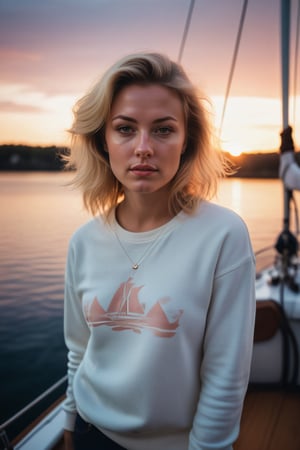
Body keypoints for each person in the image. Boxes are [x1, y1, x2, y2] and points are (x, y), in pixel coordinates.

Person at [63, 52, 256, 450]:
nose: (144, 147)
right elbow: (79, 350)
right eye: (125, 129)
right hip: (90, 433)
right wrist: (69, 422)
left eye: (163, 130)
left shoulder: (222, 235)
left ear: (187, 141)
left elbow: (226, 374)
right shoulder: (83, 242)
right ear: (104, 139)